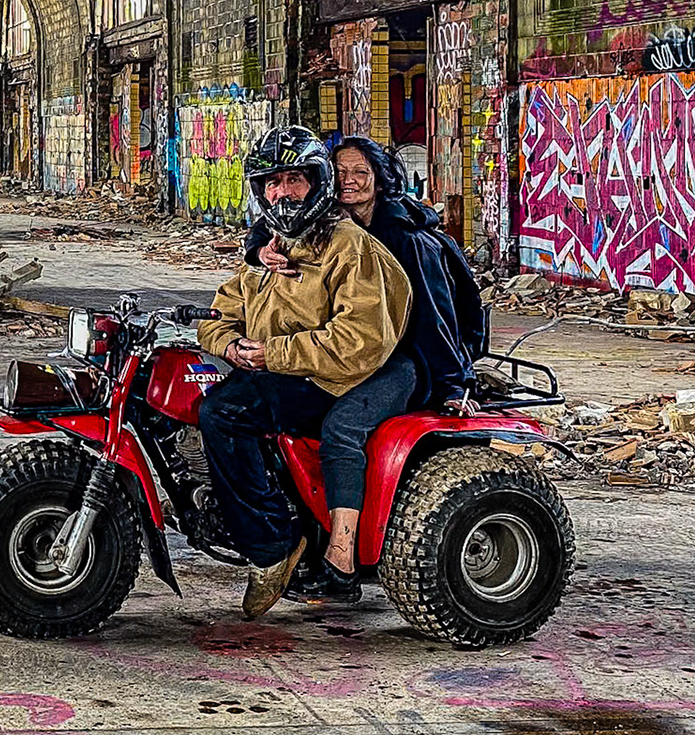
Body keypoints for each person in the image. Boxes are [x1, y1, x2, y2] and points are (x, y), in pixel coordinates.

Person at [245, 136, 486, 605]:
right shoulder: (323, 224)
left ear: (380, 178)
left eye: (362, 172)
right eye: (341, 173)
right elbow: (265, 233)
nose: (350, 181)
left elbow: (436, 318)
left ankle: (341, 560)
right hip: (348, 352)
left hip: (405, 358)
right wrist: (260, 250)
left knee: (343, 426)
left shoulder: (404, 236)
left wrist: (456, 385)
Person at [193, 127, 412, 619]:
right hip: (290, 369)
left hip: (341, 379)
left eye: (295, 179)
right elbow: (220, 314)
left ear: (317, 183)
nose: (283, 191)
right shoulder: (269, 248)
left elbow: (359, 342)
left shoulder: (350, 247)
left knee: (224, 412)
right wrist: (230, 344)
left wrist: (273, 354)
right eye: (272, 182)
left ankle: (273, 547)